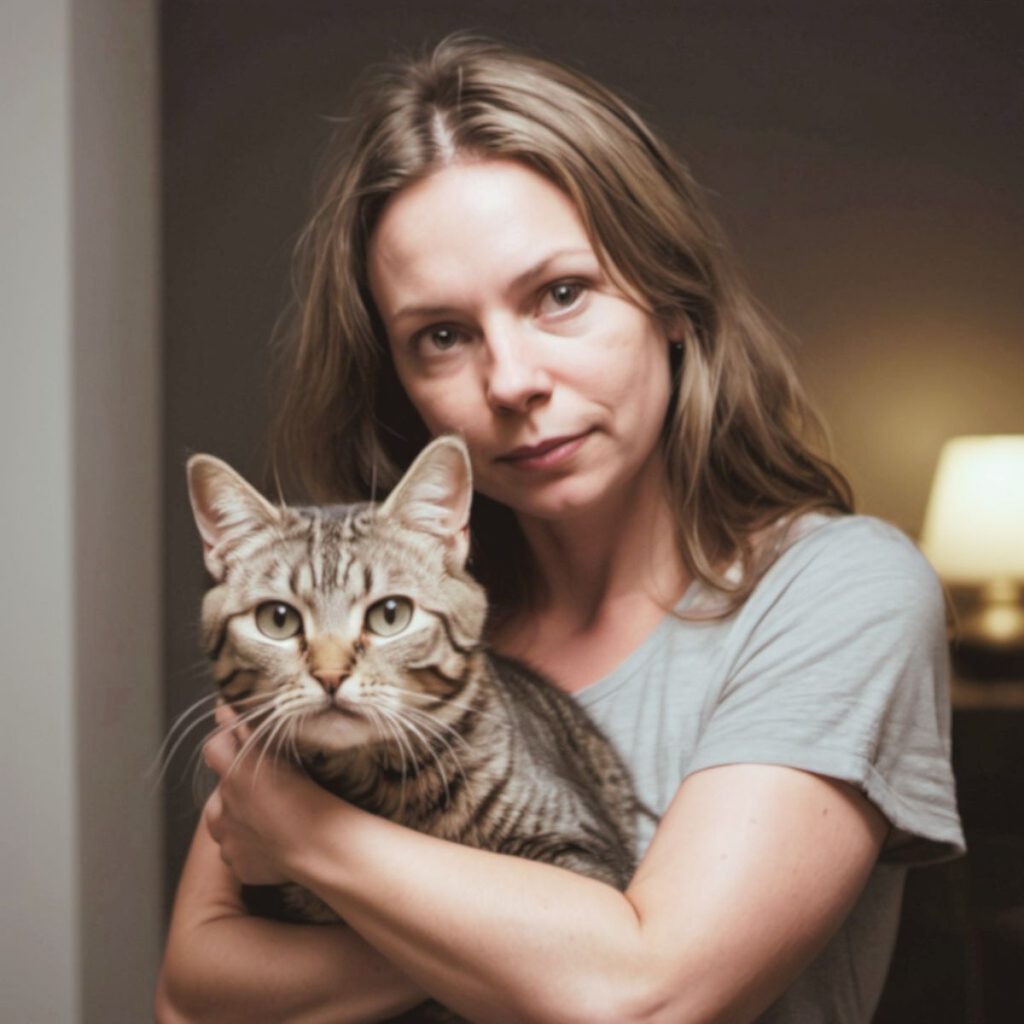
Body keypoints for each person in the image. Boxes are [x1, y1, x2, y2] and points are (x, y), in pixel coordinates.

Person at [156, 34, 964, 1023]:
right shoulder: (378, 611)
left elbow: (648, 996)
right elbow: (191, 997)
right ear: (401, 380)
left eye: (561, 294)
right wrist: (541, 949)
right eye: (442, 335)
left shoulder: (838, 591)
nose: (511, 381)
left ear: (671, 297)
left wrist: (310, 836)